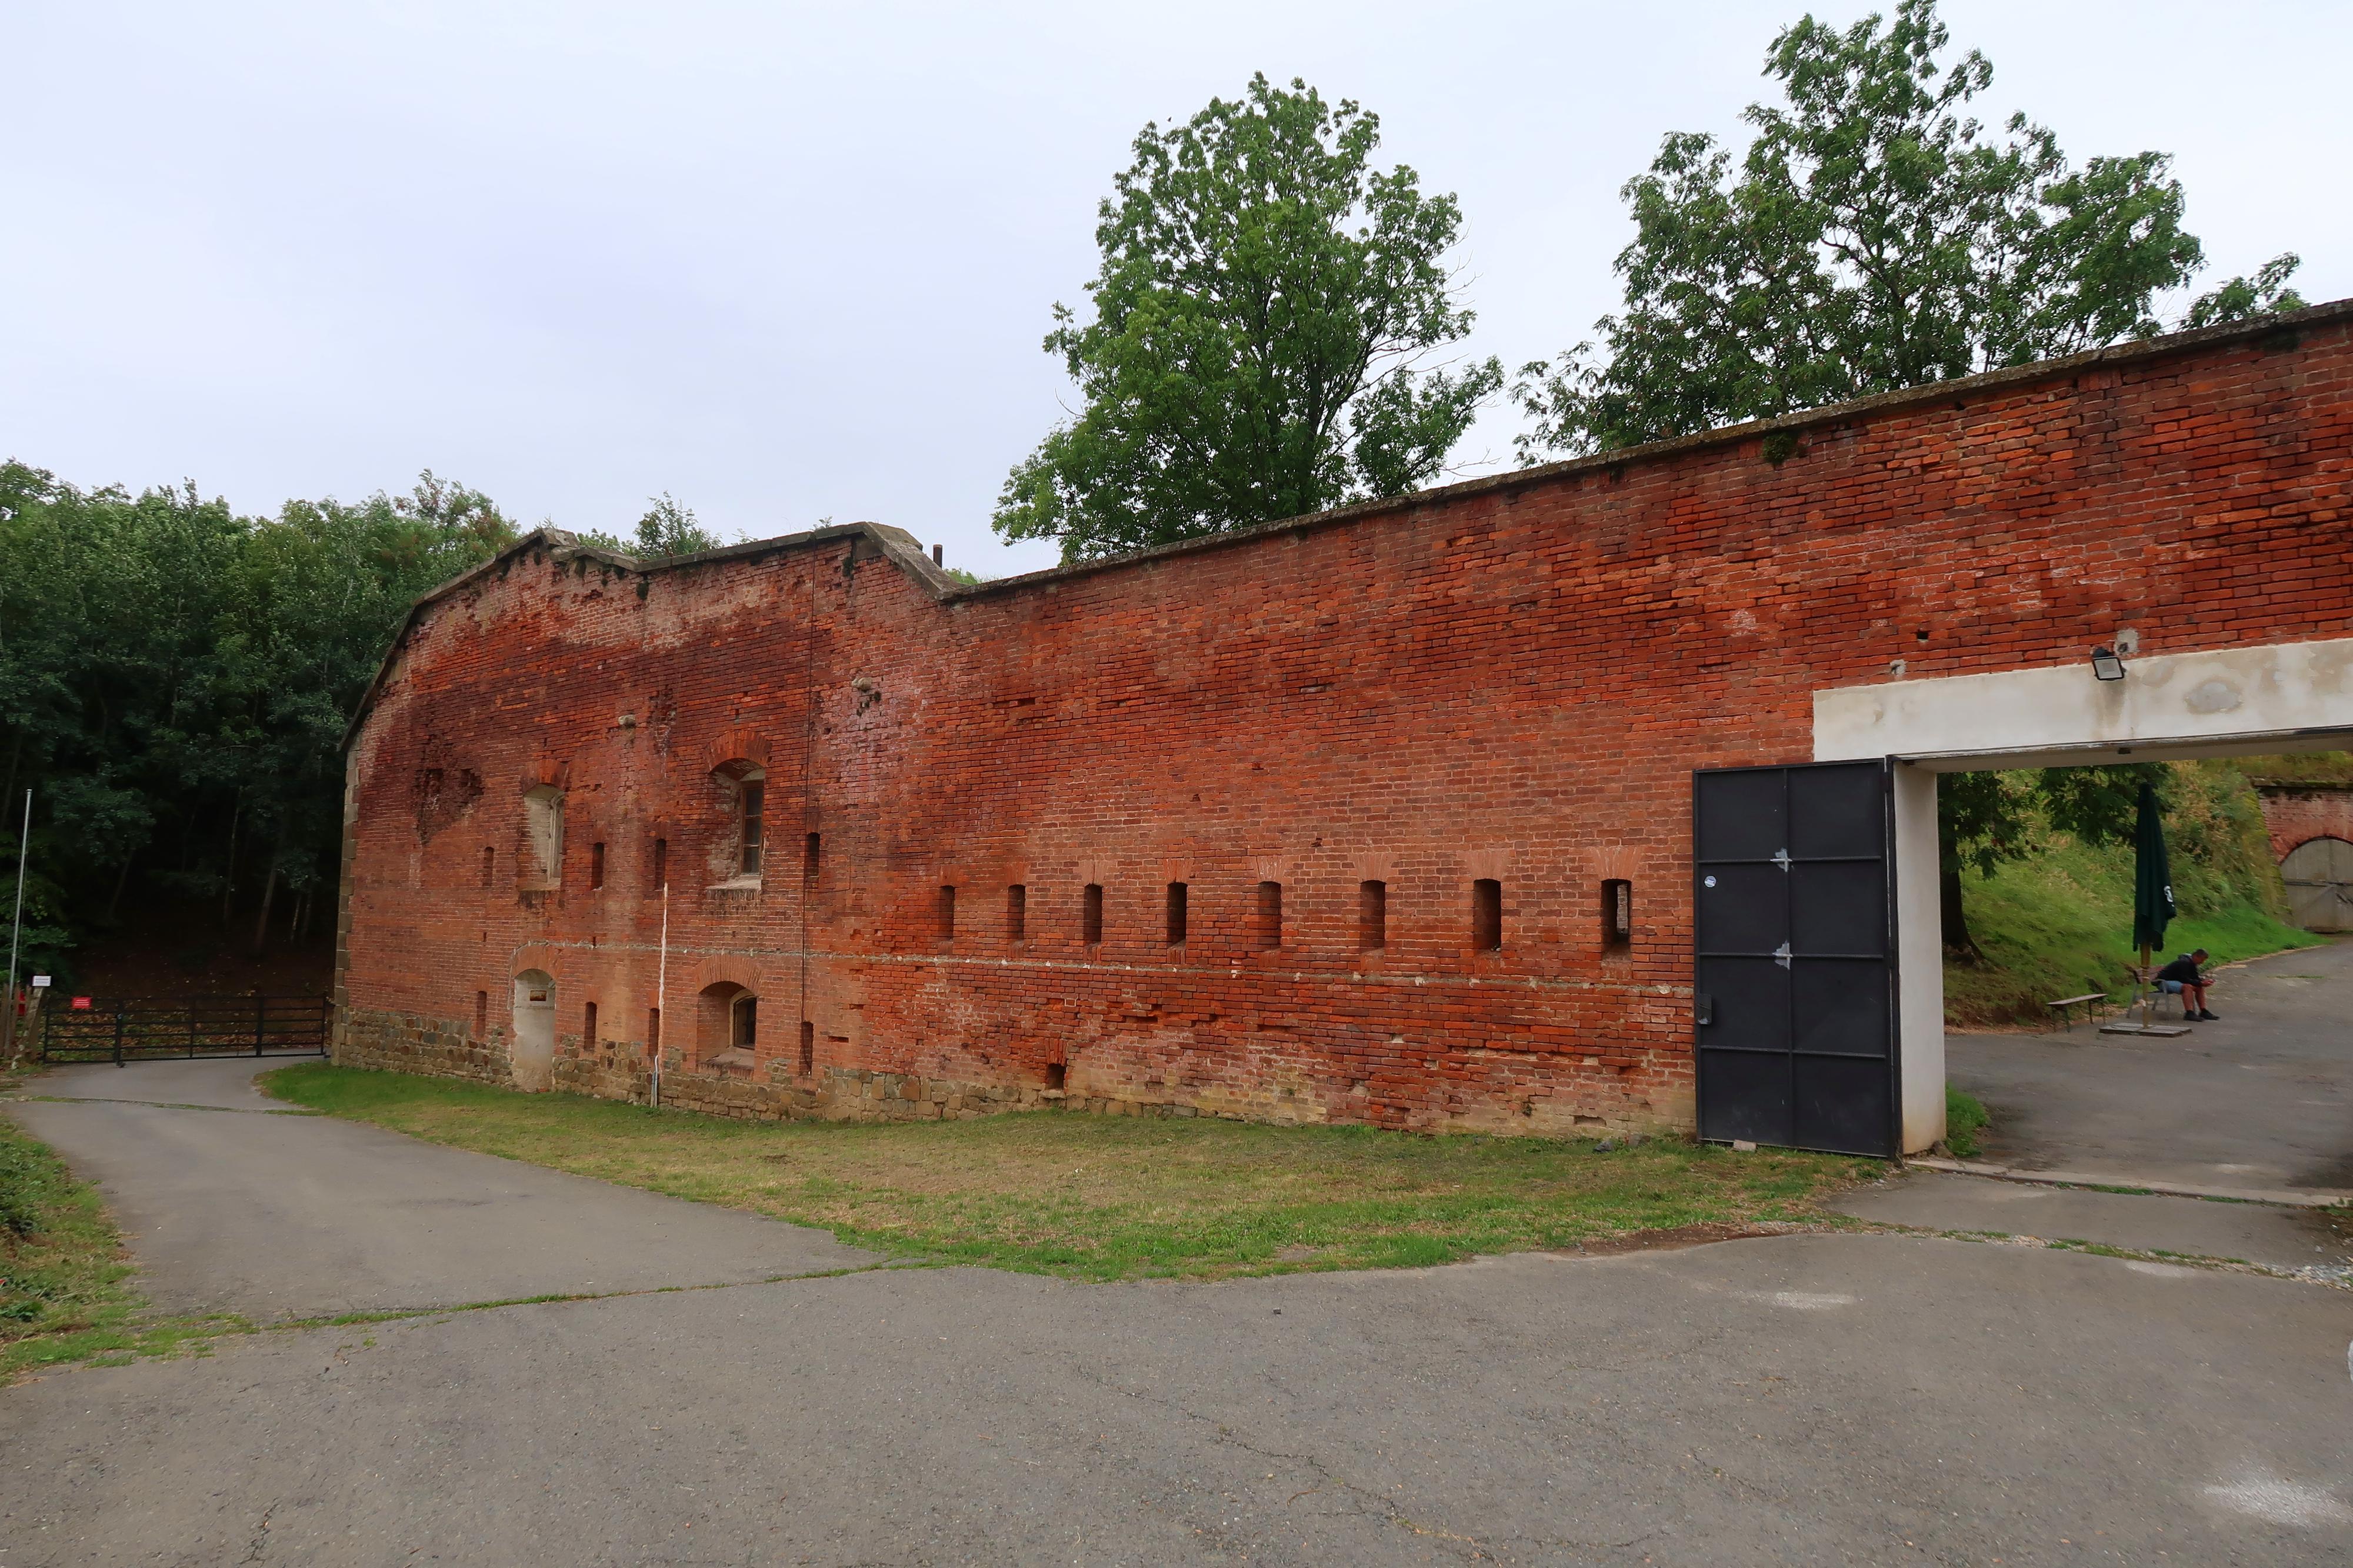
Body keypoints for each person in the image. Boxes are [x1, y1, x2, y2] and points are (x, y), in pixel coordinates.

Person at [2154, 949, 2217, 1020]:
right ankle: (2189, 1013)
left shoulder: (2192, 963)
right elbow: (2184, 979)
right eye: (2202, 960)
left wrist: (2202, 982)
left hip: (2175, 981)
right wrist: (2201, 983)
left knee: (2199, 987)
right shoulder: (2184, 963)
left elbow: (2194, 977)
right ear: (2196, 956)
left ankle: (2203, 1011)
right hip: (2163, 982)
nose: (2202, 962)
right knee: (2187, 987)